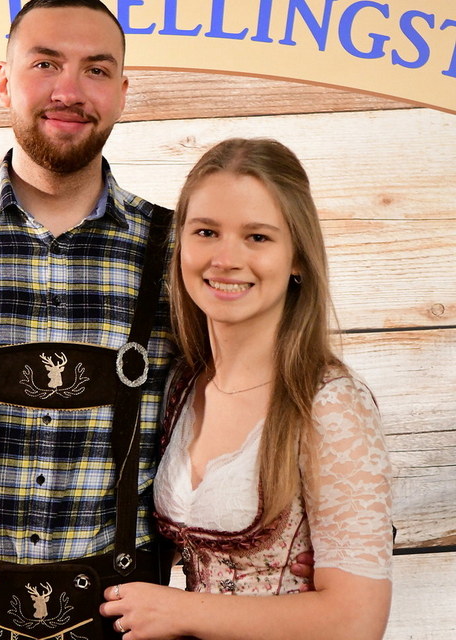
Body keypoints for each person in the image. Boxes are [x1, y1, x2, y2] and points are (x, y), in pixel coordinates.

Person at [0, 2, 313, 637]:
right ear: (4, 80)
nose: (69, 91)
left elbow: (256, 414)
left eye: (96, 70)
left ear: (122, 92)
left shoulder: (186, 255)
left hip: (122, 613)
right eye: (46, 64)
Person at [100, 138, 393, 640]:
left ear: (297, 257)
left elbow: (357, 621)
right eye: (206, 232)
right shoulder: (182, 386)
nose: (226, 258)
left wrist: (181, 610)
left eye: (257, 237)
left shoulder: (328, 404)